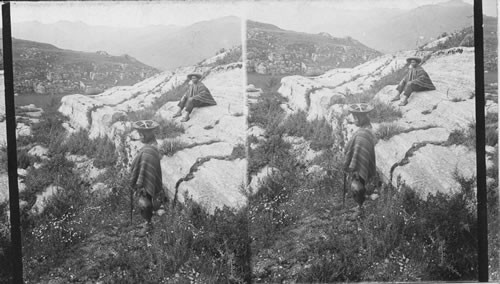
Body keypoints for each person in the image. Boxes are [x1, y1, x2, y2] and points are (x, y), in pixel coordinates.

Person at [343, 103, 378, 218]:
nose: (354, 120)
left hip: (360, 164)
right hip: (362, 162)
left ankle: (360, 210)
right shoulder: (366, 128)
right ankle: (359, 206)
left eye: (355, 117)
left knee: (356, 185)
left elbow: (359, 149)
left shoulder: (363, 134)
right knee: (358, 182)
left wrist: (352, 162)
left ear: (359, 118)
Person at [129, 120, 163, 236]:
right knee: (144, 200)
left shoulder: (149, 151)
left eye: (141, 134)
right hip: (146, 180)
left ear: (145, 135)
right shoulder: (152, 146)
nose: (140, 137)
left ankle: (148, 225)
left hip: (145, 183)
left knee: (145, 202)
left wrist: (141, 182)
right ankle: (146, 222)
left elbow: (146, 167)